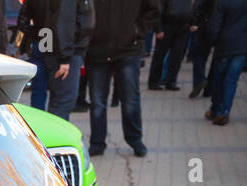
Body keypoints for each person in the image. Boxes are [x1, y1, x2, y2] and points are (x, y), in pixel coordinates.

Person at [87, 0, 161, 156]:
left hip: (128, 49)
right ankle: (97, 142)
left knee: (130, 99)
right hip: (97, 50)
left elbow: (153, 9)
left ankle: (135, 139)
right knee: (98, 101)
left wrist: (137, 30)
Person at [19, 0, 94, 119]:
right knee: (60, 95)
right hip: (57, 42)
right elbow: (64, 22)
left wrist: (35, 33)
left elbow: (23, 21)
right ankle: (43, 126)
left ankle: (37, 122)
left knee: (41, 87)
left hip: (45, 40)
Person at [206, 0, 247, 122]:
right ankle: (225, 111)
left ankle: (215, 110)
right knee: (231, 80)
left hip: (224, 46)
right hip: (242, 47)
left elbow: (215, 25)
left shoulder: (223, 2)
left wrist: (212, 41)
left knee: (219, 80)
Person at [149, 0, 197, 88]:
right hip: (167, 27)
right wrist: (158, 29)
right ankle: (154, 81)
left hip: (183, 28)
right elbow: (157, 12)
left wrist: (192, 22)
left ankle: (171, 81)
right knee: (159, 55)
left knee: (177, 56)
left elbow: (190, 10)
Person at [189, 0, 218, 95]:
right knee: (216, 60)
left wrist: (195, 23)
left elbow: (198, 8)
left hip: (205, 28)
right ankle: (209, 89)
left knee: (198, 56)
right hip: (221, 29)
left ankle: (200, 80)